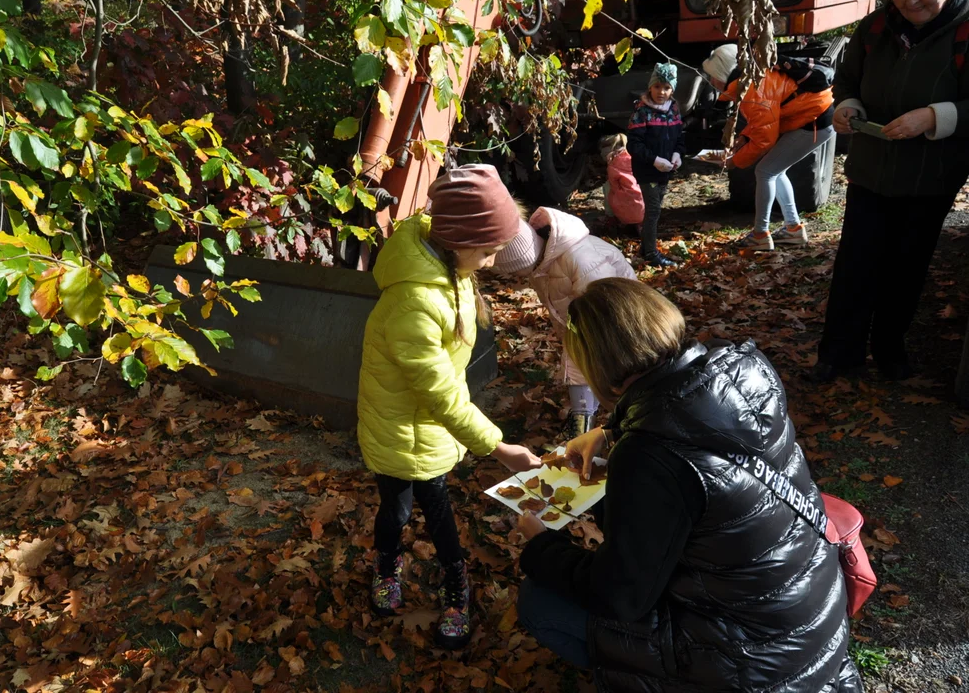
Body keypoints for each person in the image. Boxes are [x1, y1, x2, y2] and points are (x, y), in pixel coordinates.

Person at [513, 278, 863, 691]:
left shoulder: (650, 457)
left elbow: (620, 597)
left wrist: (539, 546)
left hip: (751, 664)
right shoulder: (741, 368)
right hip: (812, 619)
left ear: (597, 365)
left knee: (538, 603)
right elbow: (699, 426)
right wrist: (612, 433)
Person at [357, 164, 541, 650]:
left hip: (430, 426)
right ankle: (388, 565)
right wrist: (500, 448)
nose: (488, 263)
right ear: (459, 241)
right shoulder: (414, 301)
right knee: (395, 508)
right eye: (486, 252)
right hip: (399, 426)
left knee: (437, 507)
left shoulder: (443, 257)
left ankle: (455, 576)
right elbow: (438, 390)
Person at [816, 0, 969, 382]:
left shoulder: (965, 30)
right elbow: (847, 79)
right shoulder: (876, 27)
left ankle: (889, 349)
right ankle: (838, 354)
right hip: (871, 169)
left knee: (908, 264)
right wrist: (847, 106)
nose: (909, 0)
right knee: (855, 262)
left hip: (930, 178)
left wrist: (936, 116)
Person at [492, 205, 637, 438]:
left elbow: (607, 308)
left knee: (609, 363)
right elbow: (560, 305)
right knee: (584, 361)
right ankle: (586, 418)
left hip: (618, 315)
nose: (522, 278)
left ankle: (595, 423)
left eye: (522, 272)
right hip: (582, 318)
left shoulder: (582, 260)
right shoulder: (543, 262)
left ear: (532, 256)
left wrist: (580, 342)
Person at [702, 44, 835, 250]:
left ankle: (760, 234)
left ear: (723, 73)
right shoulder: (749, 81)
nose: (711, 81)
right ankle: (793, 230)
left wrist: (733, 162)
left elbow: (765, 139)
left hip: (815, 123)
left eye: (712, 76)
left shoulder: (752, 88)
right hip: (813, 118)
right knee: (775, 171)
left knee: (765, 171)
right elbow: (763, 121)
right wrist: (744, 138)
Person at [627, 62, 686, 268]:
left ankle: (645, 247)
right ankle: (651, 253)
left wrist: (678, 154)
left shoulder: (674, 109)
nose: (662, 92)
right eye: (657, 87)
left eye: (667, 87)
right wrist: (654, 160)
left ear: (672, 89)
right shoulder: (642, 111)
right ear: (650, 87)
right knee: (653, 211)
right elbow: (633, 144)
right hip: (647, 170)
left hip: (666, 169)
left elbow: (679, 136)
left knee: (657, 206)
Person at [598, 133, 644, 235]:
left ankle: (611, 218)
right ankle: (639, 224)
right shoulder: (634, 157)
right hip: (643, 211)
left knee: (607, 186)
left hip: (623, 214)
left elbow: (614, 189)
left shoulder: (613, 164)